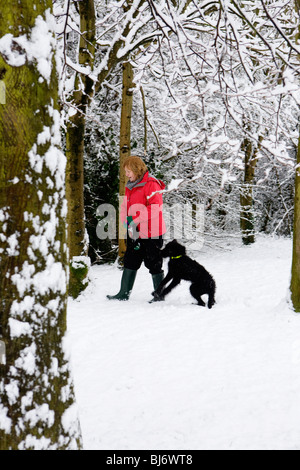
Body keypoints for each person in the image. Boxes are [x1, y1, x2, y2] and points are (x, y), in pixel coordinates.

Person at [107, 156, 166, 301]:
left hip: (152, 232)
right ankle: (123, 293)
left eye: (128, 171)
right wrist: (125, 222)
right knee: (130, 260)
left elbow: (155, 207)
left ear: (137, 169)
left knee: (153, 263)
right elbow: (124, 206)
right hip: (134, 231)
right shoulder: (130, 185)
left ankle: (159, 295)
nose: (126, 174)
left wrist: (134, 219)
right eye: (125, 171)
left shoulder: (151, 184)